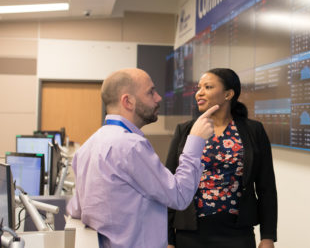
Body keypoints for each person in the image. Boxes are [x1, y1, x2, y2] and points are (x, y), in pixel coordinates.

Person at [67, 68, 218, 248]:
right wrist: (195, 140)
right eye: (151, 92)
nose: (158, 98)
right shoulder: (131, 146)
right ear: (128, 101)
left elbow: (77, 210)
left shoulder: (88, 146)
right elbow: (179, 196)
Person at [166, 68, 278, 248]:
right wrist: (168, 239)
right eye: (199, 87)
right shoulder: (185, 130)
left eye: (208, 87)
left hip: (237, 232)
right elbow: (170, 185)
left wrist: (268, 236)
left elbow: (266, 187)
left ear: (228, 94)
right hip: (191, 233)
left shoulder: (253, 130)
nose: (199, 93)